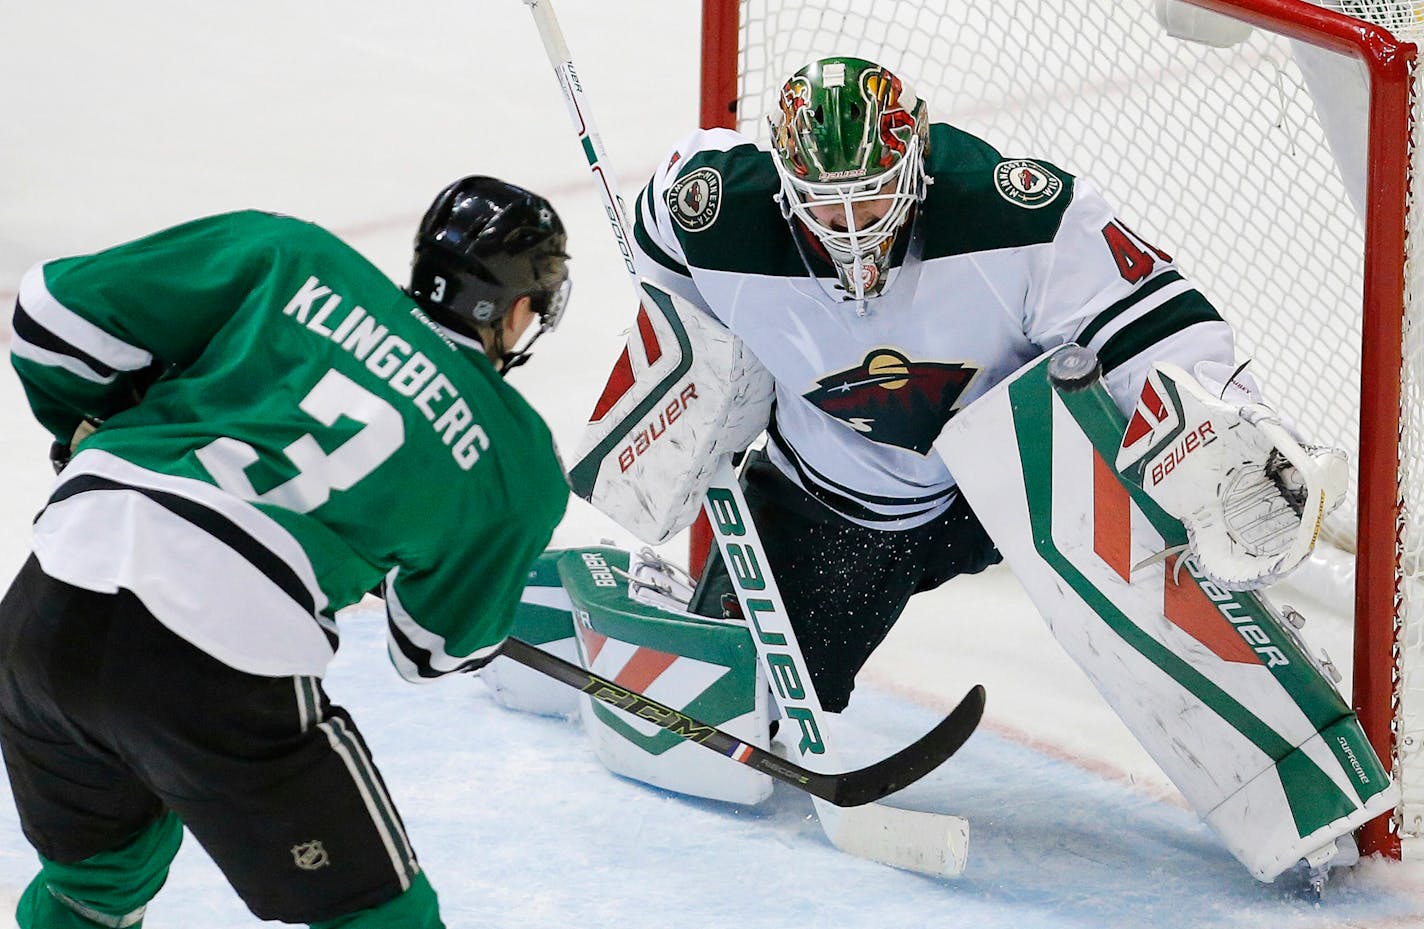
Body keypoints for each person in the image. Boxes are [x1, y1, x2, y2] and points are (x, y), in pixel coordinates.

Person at [624, 55, 1332, 713]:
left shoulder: (1011, 212)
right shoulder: (717, 211)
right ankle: (707, 626)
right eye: (822, 203)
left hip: (1008, 493)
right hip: (823, 506)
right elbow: (658, 232)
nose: (849, 229)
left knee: (1168, 478)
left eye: (871, 199)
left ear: (916, 165)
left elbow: (1151, 324)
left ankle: (1268, 694)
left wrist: (1223, 416)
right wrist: (691, 366)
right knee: (740, 719)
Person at [0, 176, 571, 928]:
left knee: (97, 882)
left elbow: (48, 316)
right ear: (521, 307)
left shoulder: (292, 255)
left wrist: (93, 424)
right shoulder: (517, 460)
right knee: (379, 915)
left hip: (48, 606)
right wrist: (374, 559)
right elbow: (430, 649)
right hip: (215, 664)